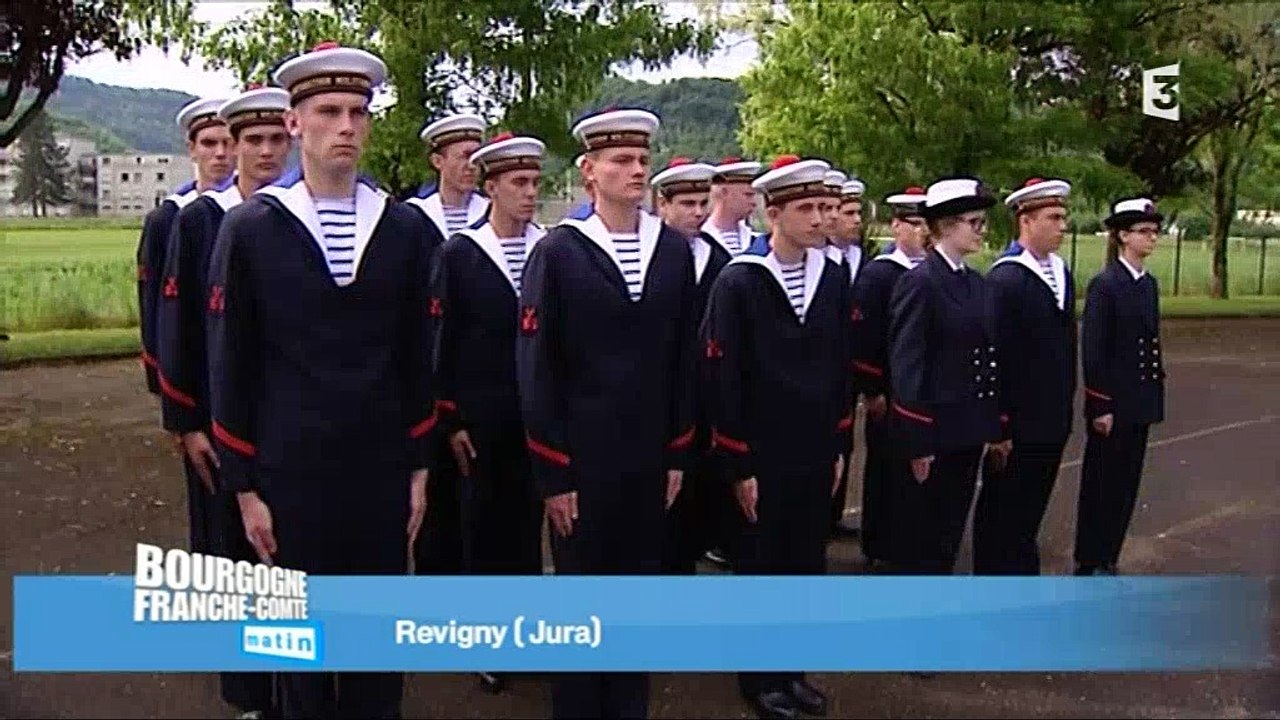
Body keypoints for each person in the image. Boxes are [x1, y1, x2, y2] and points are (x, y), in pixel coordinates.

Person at [206, 42, 435, 719]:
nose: (346, 126)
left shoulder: (400, 230)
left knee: (373, 653)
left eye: (358, 112)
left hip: (379, 472)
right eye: (329, 111)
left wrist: (418, 468)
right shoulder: (250, 231)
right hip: (291, 475)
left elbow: (417, 356)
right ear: (296, 123)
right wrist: (244, 487)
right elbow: (231, 364)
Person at [516, 107, 698, 720]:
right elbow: (537, 367)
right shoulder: (560, 252)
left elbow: (684, 360)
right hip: (583, 461)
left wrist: (678, 451)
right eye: (621, 160)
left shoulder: (673, 252)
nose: (636, 170)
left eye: (643, 159)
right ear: (588, 171)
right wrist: (554, 472)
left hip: (648, 458)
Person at [155, 84, 292, 720]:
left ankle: (296, 675)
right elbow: (176, 324)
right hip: (220, 419)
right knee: (235, 553)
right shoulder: (197, 220)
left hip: (288, 419)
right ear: (232, 148)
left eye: (275, 139)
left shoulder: (299, 216)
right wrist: (185, 421)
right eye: (252, 141)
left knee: (288, 555)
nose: (266, 152)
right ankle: (249, 691)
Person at [701, 155, 850, 720]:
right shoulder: (740, 280)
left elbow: (839, 366)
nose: (819, 219)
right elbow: (721, 374)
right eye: (805, 208)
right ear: (773, 212)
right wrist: (738, 463)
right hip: (761, 453)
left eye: (822, 207)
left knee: (804, 562)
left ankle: (792, 669)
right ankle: (759, 679)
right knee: (761, 566)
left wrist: (838, 443)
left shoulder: (831, 276)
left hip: (813, 449)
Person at [429, 131, 548, 694]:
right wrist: (450, 418)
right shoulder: (460, 254)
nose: (529, 194)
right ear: (493, 186)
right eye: (518, 183)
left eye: (535, 182)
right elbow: (441, 341)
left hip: (536, 416)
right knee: (483, 528)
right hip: (482, 417)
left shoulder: (551, 250)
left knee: (528, 528)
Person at [888, 176, 1005, 576]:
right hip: (934, 433)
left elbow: (986, 355)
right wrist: (917, 441)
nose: (981, 230)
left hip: (967, 429)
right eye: (974, 222)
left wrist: (993, 424)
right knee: (924, 538)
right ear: (944, 226)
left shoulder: (975, 283)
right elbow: (907, 367)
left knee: (950, 532)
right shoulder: (919, 283)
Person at [973, 178, 1078, 575]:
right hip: (1016, 423)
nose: (1061, 225)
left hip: (1051, 418)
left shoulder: (1061, 273)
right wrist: (998, 424)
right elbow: (994, 354)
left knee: (1031, 507)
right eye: (1053, 217)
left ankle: (1020, 570)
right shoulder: (1006, 278)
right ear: (1027, 220)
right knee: (1003, 509)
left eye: (1063, 217)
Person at [405, 112, 490, 577]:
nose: (470, 166)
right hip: (429, 367)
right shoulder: (415, 222)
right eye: (461, 156)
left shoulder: (490, 218)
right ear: (438, 160)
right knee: (433, 503)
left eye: (477, 157)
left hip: (476, 370)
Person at [1074, 197, 1166, 576]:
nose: (1151, 238)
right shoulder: (1106, 285)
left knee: (1127, 483)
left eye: (1154, 231)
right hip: (1114, 401)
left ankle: (1109, 553)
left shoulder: (1148, 284)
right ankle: (1090, 555)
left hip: (1140, 399)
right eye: (1143, 232)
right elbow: (1094, 351)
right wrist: (1100, 405)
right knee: (1102, 483)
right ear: (1123, 236)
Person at [649, 157, 732, 575]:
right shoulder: (649, 255)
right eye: (686, 203)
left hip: (703, 397)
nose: (697, 212)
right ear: (662, 204)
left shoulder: (719, 259)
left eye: (703, 202)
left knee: (696, 495)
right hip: (660, 397)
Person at [849, 186, 929, 571]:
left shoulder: (933, 272)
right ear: (896, 226)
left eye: (924, 223)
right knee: (885, 467)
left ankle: (912, 535)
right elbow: (865, 335)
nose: (920, 232)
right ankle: (879, 541)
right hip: (890, 388)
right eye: (912, 223)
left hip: (924, 391)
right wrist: (873, 388)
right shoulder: (879, 274)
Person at [137, 96, 232, 398]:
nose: (220, 154)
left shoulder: (259, 212)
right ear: (191, 149)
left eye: (229, 143)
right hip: (192, 358)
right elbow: (153, 304)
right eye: (209, 143)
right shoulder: (167, 219)